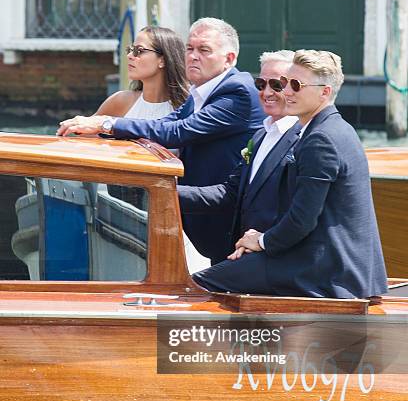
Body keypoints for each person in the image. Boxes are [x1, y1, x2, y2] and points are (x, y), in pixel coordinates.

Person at [179, 49, 388, 299]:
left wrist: (261, 241)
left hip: (323, 271)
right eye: (287, 83)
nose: (286, 92)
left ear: (325, 92)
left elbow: (302, 219)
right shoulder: (329, 130)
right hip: (312, 261)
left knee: (197, 285)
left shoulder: (320, 139)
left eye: (296, 85)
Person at [57, 17, 265, 264]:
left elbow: (178, 131)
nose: (193, 56)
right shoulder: (201, 91)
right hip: (194, 212)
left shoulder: (236, 91)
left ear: (229, 59)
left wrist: (107, 123)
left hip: (224, 214)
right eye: (190, 49)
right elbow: (168, 123)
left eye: (204, 50)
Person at [94, 25, 189, 119]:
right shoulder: (121, 101)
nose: (129, 56)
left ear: (162, 60)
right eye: (130, 50)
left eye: (139, 50)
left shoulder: (189, 107)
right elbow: (84, 130)